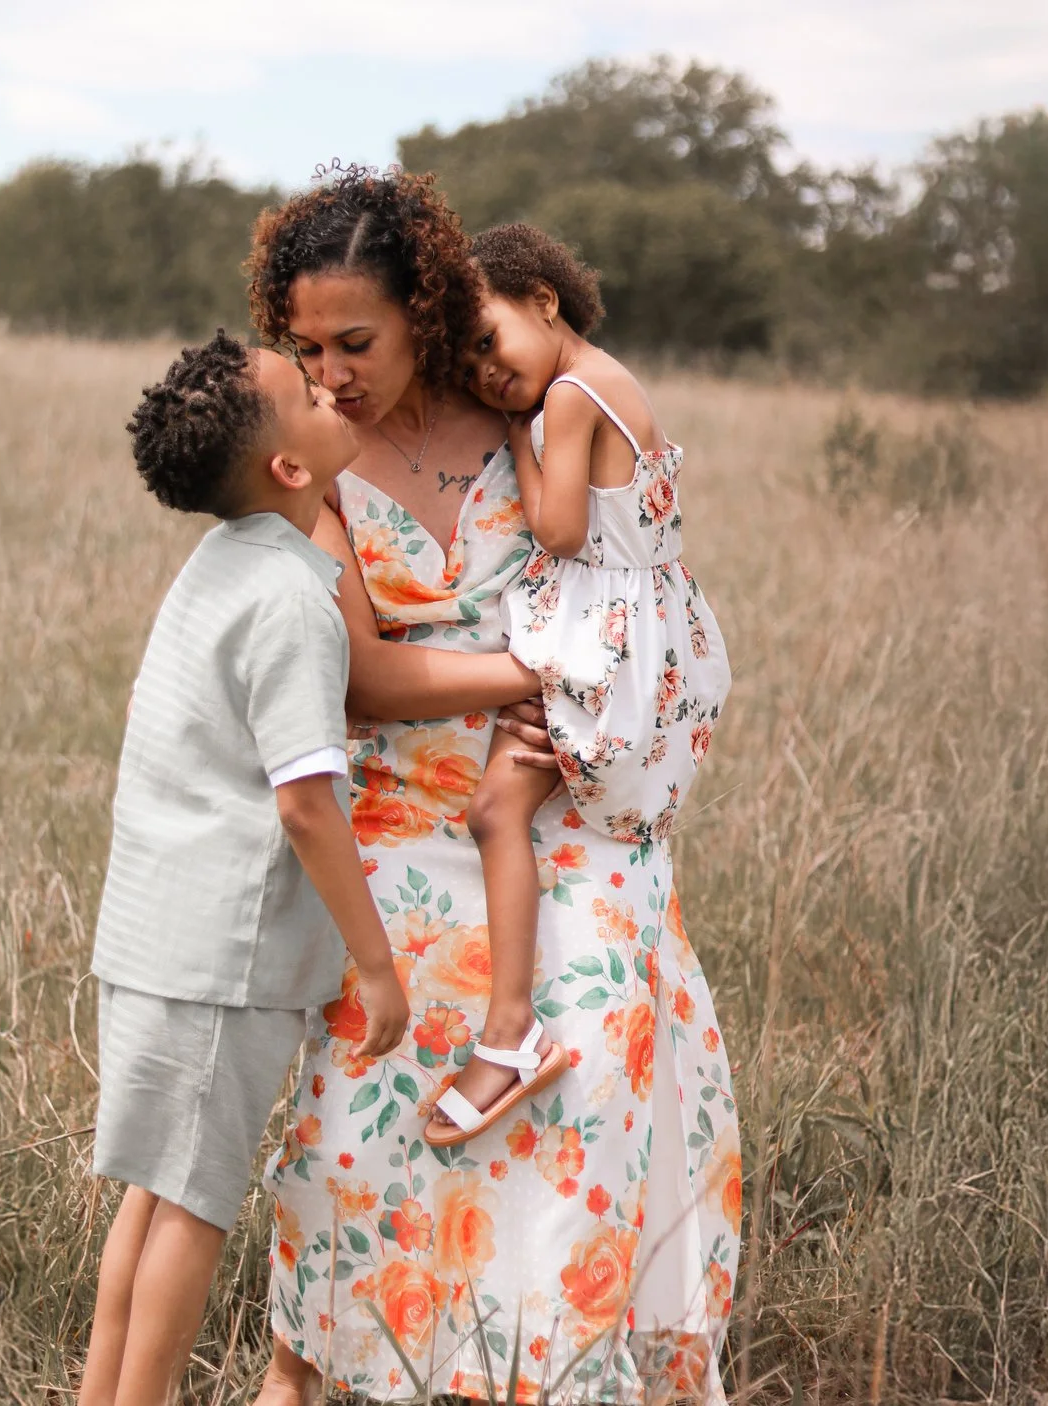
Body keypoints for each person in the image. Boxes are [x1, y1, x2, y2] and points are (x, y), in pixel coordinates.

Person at [245, 167, 742, 1406]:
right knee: (381, 1066)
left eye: (355, 340)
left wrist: (608, 696)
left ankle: (545, 1368)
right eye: (304, 346)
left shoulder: (522, 398)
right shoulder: (311, 460)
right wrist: (526, 667)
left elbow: (637, 559)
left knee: (592, 1017)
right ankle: (323, 1363)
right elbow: (358, 672)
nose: (330, 371)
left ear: (426, 308)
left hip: (559, 803)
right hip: (403, 809)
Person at [80, 331, 412, 1406]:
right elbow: (306, 801)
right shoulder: (289, 602)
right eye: (311, 391)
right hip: (219, 957)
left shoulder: (225, 564)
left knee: (153, 1194)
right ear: (291, 467)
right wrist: (375, 965)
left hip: (153, 934)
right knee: (195, 1209)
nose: (333, 389)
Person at [423, 223, 732, 1151]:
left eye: (487, 341)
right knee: (525, 815)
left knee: (493, 813)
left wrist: (517, 440)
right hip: (657, 634)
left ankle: (511, 1027)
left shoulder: (563, 398)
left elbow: (558, 531)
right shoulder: (616, 378)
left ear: (544, 301)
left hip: (605, 652)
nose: (486, 374)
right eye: (468, 368)